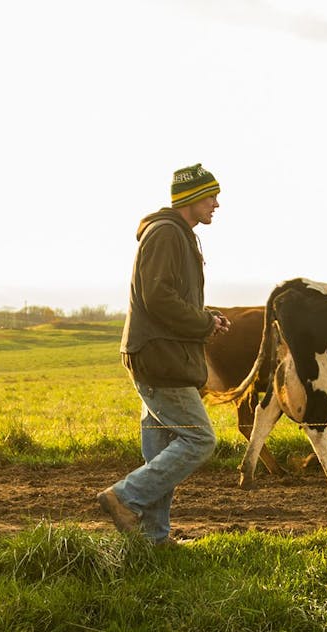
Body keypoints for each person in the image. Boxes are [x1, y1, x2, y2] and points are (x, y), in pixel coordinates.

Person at [100, 163, 229, 546]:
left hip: (158, 353)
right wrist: (203, 323)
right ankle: (123, 496)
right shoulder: (166, 235)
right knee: (199, 440)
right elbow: (158, 299)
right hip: (160, 358)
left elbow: (171, 298)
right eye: (211, 196)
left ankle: (154, 538)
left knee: (159, 447)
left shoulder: (175, 234)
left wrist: (207, 318)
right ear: (191, 198)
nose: (217, 204)